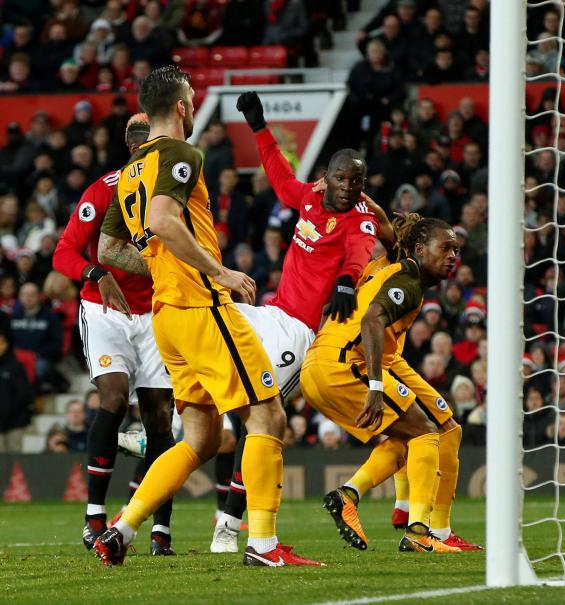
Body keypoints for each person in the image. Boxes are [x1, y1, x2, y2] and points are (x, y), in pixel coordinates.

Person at [93, 65, 319, 567]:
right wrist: (219, 272)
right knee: (267, 414)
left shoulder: (130, 170)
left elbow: (110, 248)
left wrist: (160, 265)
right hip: (200, 308)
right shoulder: (180, 153)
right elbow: (162, 222)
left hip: (166, 316)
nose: (194, 107)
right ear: (179, 106)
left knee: (199, 438)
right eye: (191, 99)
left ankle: (122, 529)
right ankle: (262, 545)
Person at [208, 90, 381, 553]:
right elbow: (279, 174)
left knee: (260, 425)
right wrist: (259, 126)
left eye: (357, 181)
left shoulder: (359, 221)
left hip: (301, 334)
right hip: (270, 313)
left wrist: (347, 281)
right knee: (207, 321)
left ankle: (228, 525)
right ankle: (161, 417)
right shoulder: (309, 198)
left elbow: (359, 254)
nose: (350, 187)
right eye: (343, 178)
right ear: (327, 178)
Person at [52, 113, 177, 556]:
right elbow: (63, 251)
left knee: (160, 419)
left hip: (158, 312)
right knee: (113, 397)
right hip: (104, 310)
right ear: (134, 149)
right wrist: (95, 271)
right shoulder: (102, 191)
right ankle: (94, 516)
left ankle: (159, 528)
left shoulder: (177, 192)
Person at [300, 213, 461, 554]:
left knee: (416, 434)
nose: (452, 257)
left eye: (456, 250)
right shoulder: (407, 277)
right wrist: (375, 386)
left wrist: (358, 202)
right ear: (418, 248)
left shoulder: (380, 266)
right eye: (445, 248)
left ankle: (357, 497)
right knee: (427, 432)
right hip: (346, 364)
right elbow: (373, 318)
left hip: (318, 364)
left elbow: (386, 228)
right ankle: (419, 530)